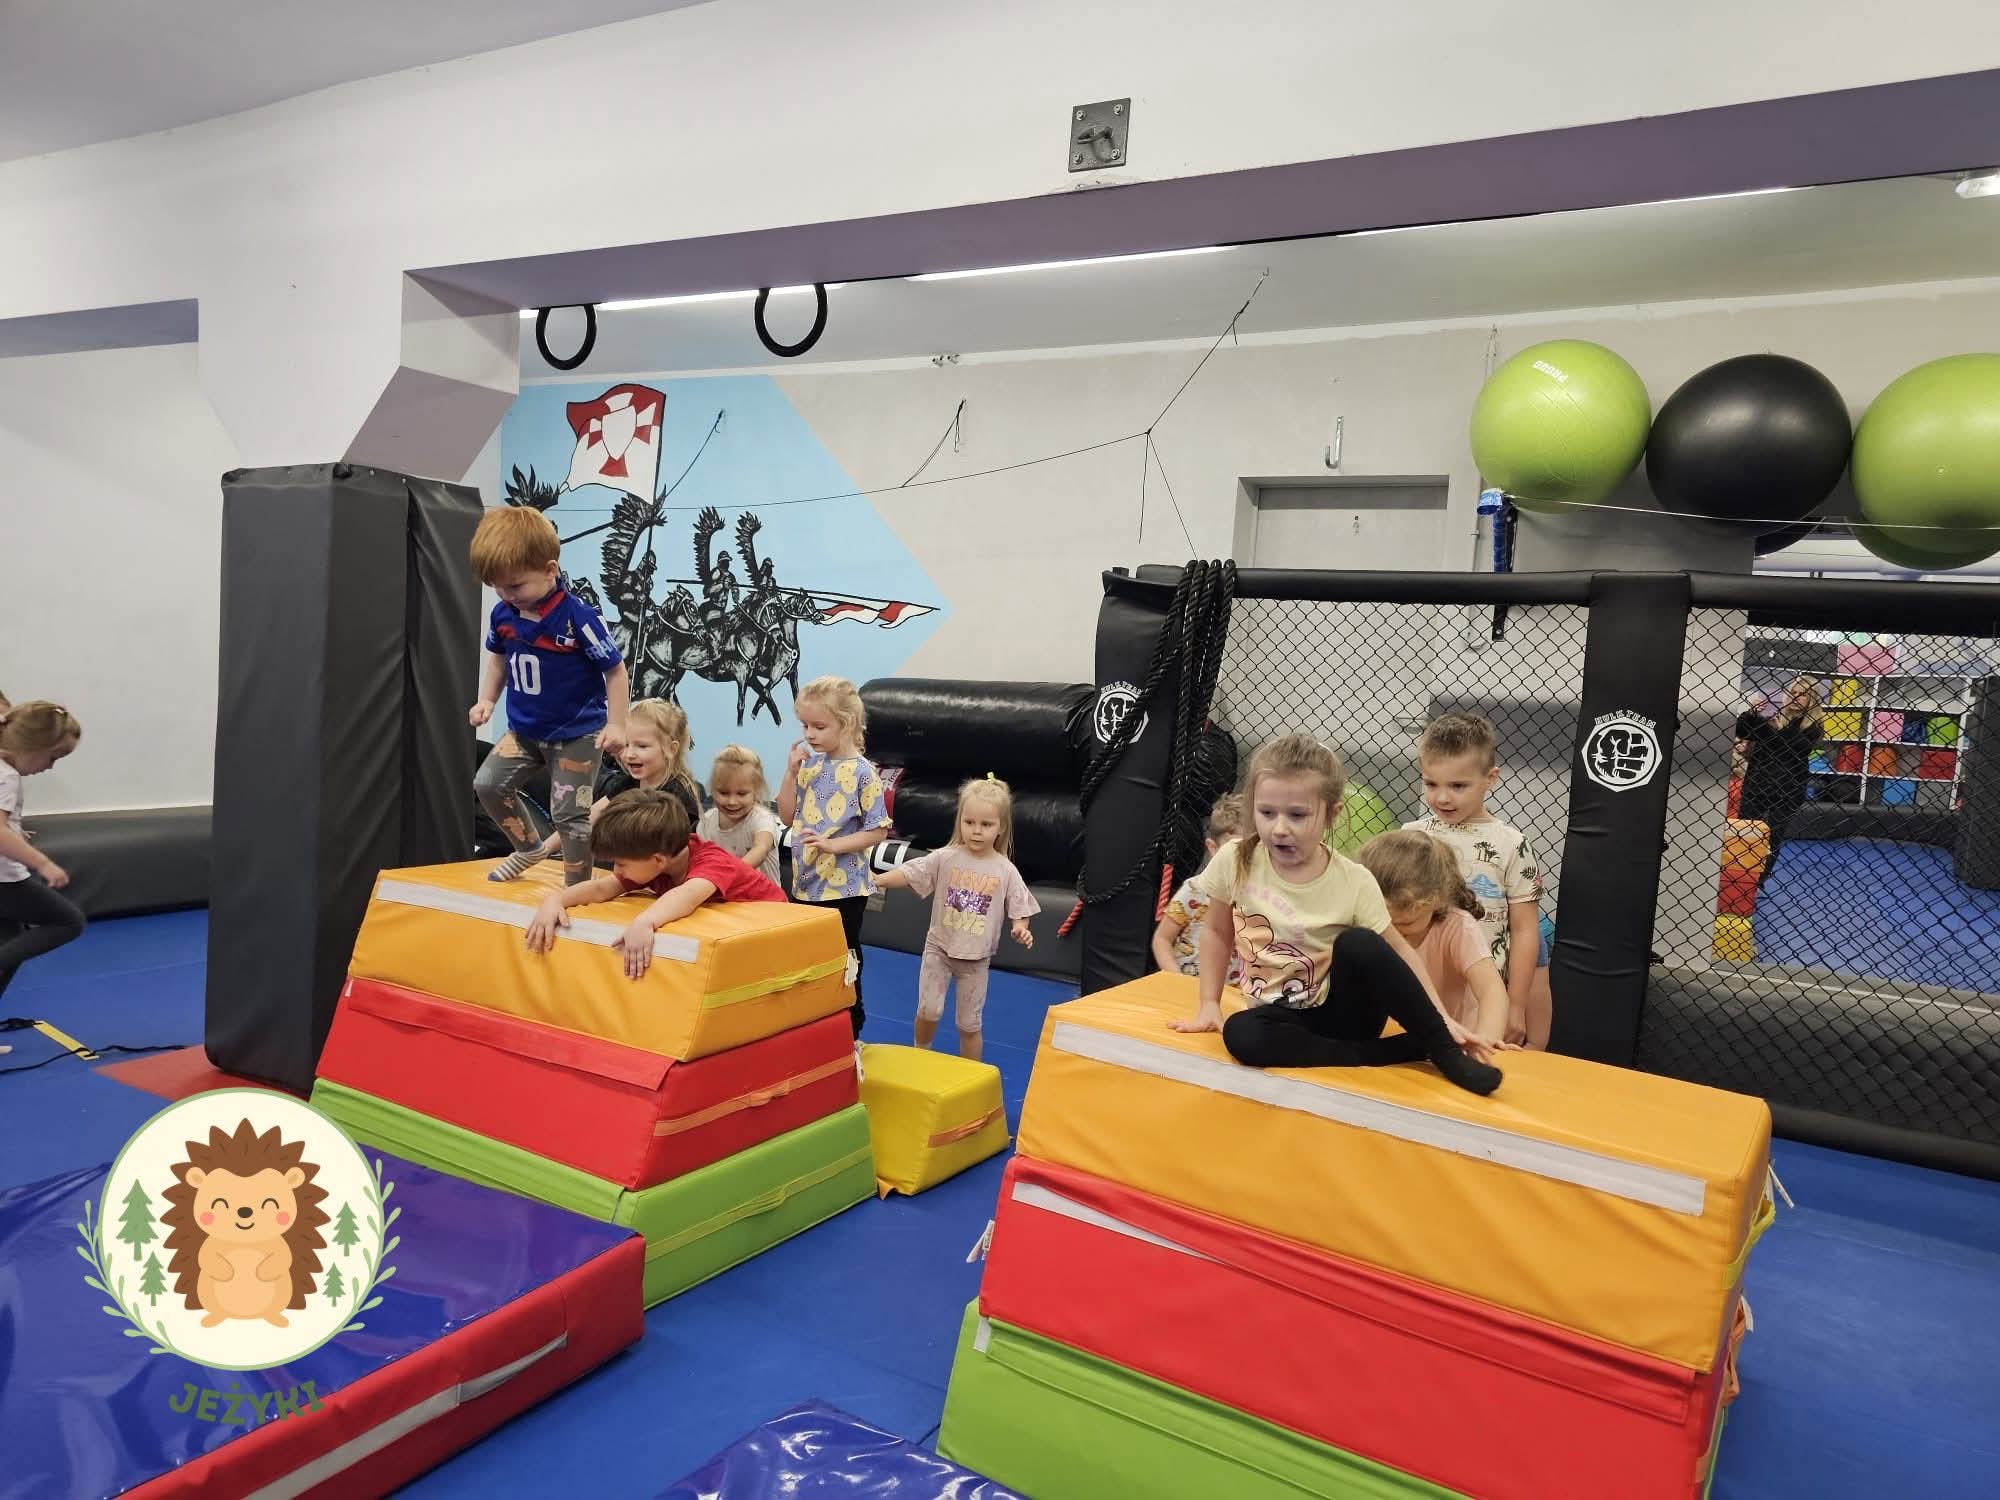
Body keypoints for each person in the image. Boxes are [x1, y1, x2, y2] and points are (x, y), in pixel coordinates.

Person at [1172, 733, 1503, 1096]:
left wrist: (1440, 1021)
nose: (1279, 828)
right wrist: (1209, 1003)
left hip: (1345, 1013)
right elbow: (1217, 933)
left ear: (1332, 814)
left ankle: (1441, 1049)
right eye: (1266, 813)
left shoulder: (1354, 880)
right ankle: (1384, 1053)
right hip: (1280, 1020)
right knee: (1241, 1034)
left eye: (1297, 815)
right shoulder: (1237, 859)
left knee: (1359, 942)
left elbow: (1400, 952)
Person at [469, 506, 630, 885]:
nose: (506, 595)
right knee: (488, 784)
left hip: (577, 734)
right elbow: (499, 660)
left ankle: (576, 887)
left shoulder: (578, 619)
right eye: (497, 587)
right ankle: (529, 848)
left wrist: (617, 725)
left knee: (569, 814)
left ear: (550, 570)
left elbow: (615, 671)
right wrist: (487, 699)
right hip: (525, 731)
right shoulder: (504, 614)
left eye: (515, 586)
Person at [523, 789, 784, 979]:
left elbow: (687, 895)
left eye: (621, 864)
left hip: (774, 924)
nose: (617, 871)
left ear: (658, 860)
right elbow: (603, 887)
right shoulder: (654, 861)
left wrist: (645, 921)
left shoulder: (713, 863)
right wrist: (555, 900)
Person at [1404, 712, 1548, 1049]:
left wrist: (1515, 1006)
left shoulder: (1511, 844)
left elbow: (1525, 930)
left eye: (1458, 786)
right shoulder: (1411, 836)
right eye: (1431, 784)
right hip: (1423, 989)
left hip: (1484, 995)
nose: (1442, 798)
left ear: (1490, 778)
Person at [875, 776, 1038, 1061]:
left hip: (976, 959)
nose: (976, 831)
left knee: (969, 1024)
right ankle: (921, 1052)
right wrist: (878, 880)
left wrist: (1020, 928)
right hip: (939, 948)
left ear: (1000, 828)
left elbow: (1019, 905)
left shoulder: (1005, 870)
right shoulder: (946, 857)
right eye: (969, 822)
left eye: (986, 825)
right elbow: (912, 872)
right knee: (929, 1010)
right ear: (959, 821)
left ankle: (970, 1071)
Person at [777, 676, 890, 1040]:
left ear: (847, 723)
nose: (810, 734)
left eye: (819, 726)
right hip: (806, 883)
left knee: (845, 955)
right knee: (806, 958)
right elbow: (787, 816)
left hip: (844, 888)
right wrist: (790, 773)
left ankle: (851, 1028)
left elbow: (877, 830)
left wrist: (833, 846)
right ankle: (813, 1022)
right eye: (805, 726)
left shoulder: (863, 772)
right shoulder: (811, 765)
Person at [1357, 830, 1510, 1045]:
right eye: (1384, 923)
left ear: (1437, 900)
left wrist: (1487, 1038)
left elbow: (1491, 989)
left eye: (1405, 924)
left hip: (1451, 1041)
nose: (1392, 933)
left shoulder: (1457, 927)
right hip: (1386, 1041)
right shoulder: (1361, 919)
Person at [523, 697, 701, 868]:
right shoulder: (629, 783)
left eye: (642, 746)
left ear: (671, 749)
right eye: (626, 744)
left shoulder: (678, 796)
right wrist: (542, 850)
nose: (629, 754)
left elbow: (676, 854)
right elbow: (588, 818)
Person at [0, 700, 86, 1002]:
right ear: (32, 746)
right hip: (4, 880)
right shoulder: (7, 776)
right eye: (53, 757)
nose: (50, 767)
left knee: (11, 945)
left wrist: (15, 832)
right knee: (68, 921)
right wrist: (42, 863)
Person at [1735, 676, 1825, 886]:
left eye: (1802, 695)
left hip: (1786, 792)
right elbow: (1741, 730)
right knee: (1745, 833)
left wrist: (1763, 726)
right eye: (1793, 693)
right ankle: (1739, 879)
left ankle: (1757, 881)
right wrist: (1751, 713)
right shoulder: (1776, 720)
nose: (1796, 697)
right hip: (1757, 786)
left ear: (1812, 699)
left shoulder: (1813, 727)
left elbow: (1791, 745)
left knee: (1772, 838)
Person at [1152, 792, 1246, 981]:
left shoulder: (1262, 896)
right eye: (1233, 851)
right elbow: (1162, 939)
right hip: (1187, 984)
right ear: (1213, 848)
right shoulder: (1195, 889)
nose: (1241, 860)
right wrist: (1176, 978)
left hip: (1235, 991)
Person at [699, 744, 782, 884]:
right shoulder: (706, 823)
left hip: (763, 896)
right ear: (712, 790)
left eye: (741, 794)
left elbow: (761, 848)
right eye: (724, 793)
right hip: (725, 894)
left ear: (756, 792)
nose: (732, 801)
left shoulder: (762, 819)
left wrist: (727, 875)